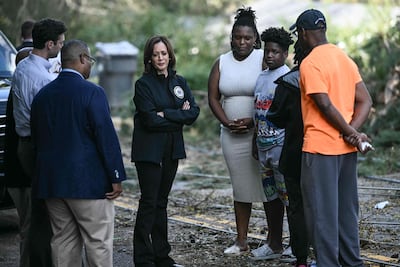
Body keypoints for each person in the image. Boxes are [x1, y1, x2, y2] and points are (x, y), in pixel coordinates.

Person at [30, 39, 126, 267]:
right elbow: (105, 136)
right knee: (98, 242)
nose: (90, 66)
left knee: (63, 241)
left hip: (52, 183)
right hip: (88, 183)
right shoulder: (93, 92)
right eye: (90, 60)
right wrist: (116, 176)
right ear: (83, 59)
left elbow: (36, 139)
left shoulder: (42, 96)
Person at [290, 9, 373, 266]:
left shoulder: (310, 63)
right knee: (346, 213)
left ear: (303, 33)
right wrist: (354, 133)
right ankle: (352, 262)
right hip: (347, 152)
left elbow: (324, 105)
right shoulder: (344, 59)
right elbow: (365, 101)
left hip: (320, 149)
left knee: (321, 215)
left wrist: (351, 133)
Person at [131, 35, 200, 267]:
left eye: (164, 53)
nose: (160, 58)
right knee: (149, 202)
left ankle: (162, 257)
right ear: (149, 58)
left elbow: (193, 113)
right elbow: (149, 121)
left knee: (162, 202)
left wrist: (167, 114)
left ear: (169, 55)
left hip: (171, 150)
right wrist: (178, 114)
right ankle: (143, 259)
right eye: (155, 54)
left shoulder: (179, 82)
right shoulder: (143, 85)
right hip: (149, 152)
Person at [207, 6, 267, 256]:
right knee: (240, 187)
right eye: (237, 37)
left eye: (247, 38)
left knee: (269, 187)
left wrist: (254, 122)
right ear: (231, 37)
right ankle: (241, 240)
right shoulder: (221, 62)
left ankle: (274, 241)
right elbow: (212, 98)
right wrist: (226, 121)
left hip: (261, 134)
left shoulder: (264, 57)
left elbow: (274, 94)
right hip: (231, 136)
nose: (242, 42)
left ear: (255, 39)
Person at [10, 18, 67, 267]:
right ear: (50, 44)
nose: (62, 49)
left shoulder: (25, 68)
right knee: (42, 213)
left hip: (25, 144)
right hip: (36, 145)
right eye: (61, 43)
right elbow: (49, 118)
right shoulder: (40, 78)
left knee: (38, 213)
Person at [250, 27, 293, 261]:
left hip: (280, 148)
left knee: (288, 197)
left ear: (285, 54)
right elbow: (257, 111)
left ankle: (295, 244)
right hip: (263, 147)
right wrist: (255, 142)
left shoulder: (287, 79)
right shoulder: (261, 77)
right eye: (267, 51)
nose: (269, 56)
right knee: (270, 196)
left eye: (275, 52)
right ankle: (274, 243)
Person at [266, 40, 310, 267]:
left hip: (294, 152)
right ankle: (329, 256)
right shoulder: (332, 76)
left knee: (297, 207)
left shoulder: (289, 82)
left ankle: (301, 259)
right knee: (325, 206)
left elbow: (275, 117)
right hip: (327, 153)